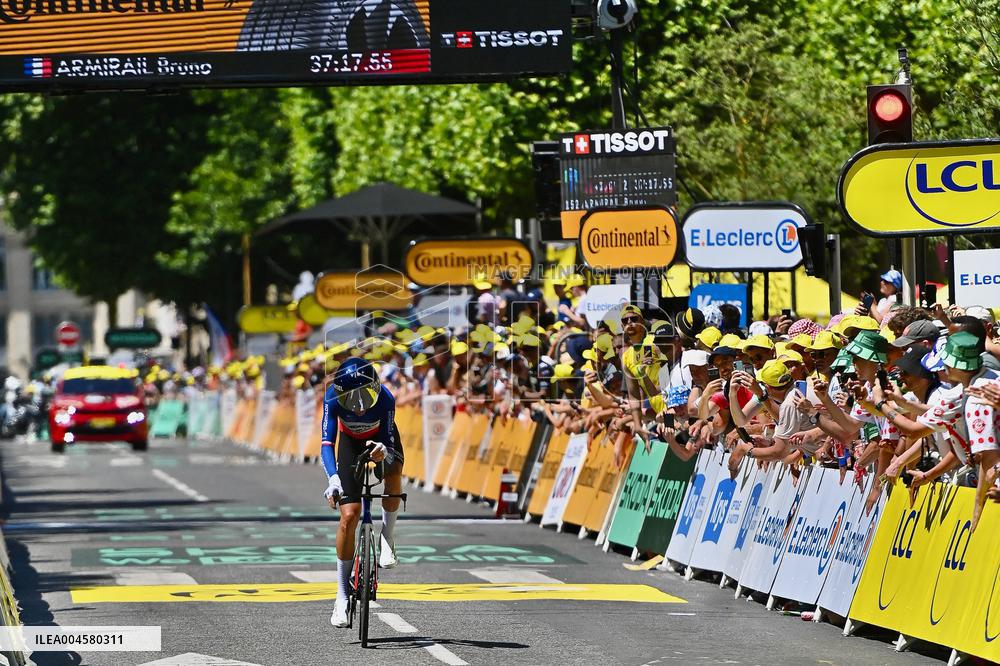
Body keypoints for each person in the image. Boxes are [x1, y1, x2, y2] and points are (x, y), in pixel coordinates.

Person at [320, 357, 405, 628]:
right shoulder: (332, 398)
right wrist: (333, 479)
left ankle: (387, 536)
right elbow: (326, 444)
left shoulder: (386, 399)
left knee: (393, 473)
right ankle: (342, 596)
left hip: (380, 440)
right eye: (350, 399)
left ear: (376, 388)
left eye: (365, 397)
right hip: (349, 444)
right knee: (349, 515)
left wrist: (384, 452)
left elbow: (390, 442)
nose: (358, 407)